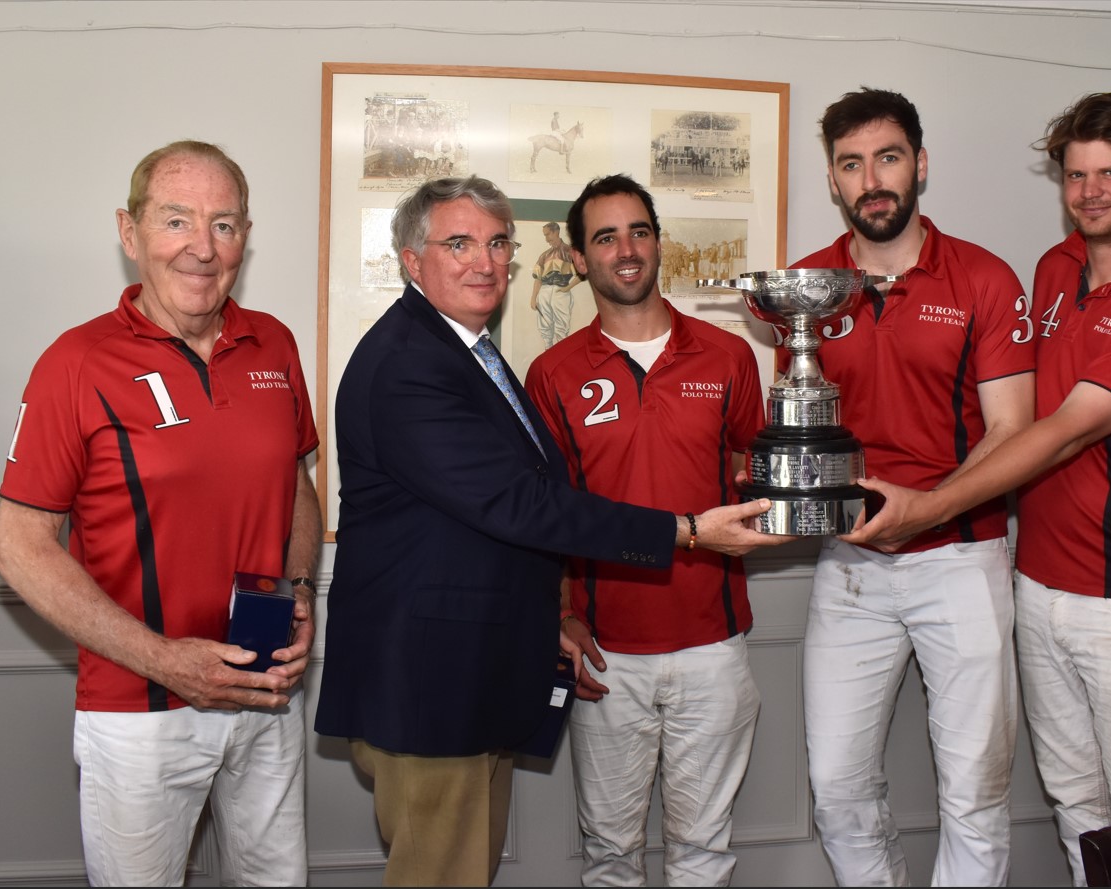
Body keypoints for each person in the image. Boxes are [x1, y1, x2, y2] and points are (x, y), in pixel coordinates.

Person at [313, 175, 787, 888]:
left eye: (498, 243)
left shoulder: (468, 350)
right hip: (430, 682)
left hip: (478, 673)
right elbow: (525, 504)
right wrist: (684, 530)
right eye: (459, 243)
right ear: (412, 261)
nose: (485, 261)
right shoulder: (412, 364)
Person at [843, 92, 1111, 884]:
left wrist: (929, 508)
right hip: (1041, 588)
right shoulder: (1053, 272)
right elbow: (1012, 417)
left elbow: (1072, 426)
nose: (1089, 191)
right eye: (1075, 174)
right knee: (1079, 809)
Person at [0, 140, 322, 886]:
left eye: (225, 224)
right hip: (138, 712)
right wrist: (165, 659)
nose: (202, 249)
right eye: (177, 221)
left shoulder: (275, 343)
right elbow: (18, 545)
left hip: (265, 691)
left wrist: (298, 589)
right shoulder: (74, 363)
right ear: (129, 231)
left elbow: (296, 480)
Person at [790, 87, 1036, 886]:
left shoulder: (985, 277)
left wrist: (925, 510)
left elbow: (1013, 430)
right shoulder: (806, 285)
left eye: (888, 157)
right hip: (852, 564)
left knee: (974, 792)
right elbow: (805, 428)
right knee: (836, 786)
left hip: (963, 559)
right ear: (834, 180)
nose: (872, 180)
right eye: (852, 164)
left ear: (920, 164)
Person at [524, 174, 766, 886]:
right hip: (607, 655)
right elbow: (546, 513)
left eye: (638, 231)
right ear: (578, 258)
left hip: (713, 647)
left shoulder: (728, 356)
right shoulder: (552, 373)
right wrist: (561, 614)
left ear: (659, 242)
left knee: (704, 849)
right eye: (605, 237)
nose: (625, 250)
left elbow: (757, 473)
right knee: (610, 855)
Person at [530, 220, 580, 349]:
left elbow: (582, 274)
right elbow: (538, 278)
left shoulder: (570, 252)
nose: (546, 239)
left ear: (556, 232)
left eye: (548, 235)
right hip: (544, 291)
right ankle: (548, 354)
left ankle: (561, 356)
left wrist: (567, 288)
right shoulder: (544, 255)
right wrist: (533, 298)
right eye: (545, 235)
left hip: (560, 290)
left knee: (561, 327)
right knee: (545, 325)